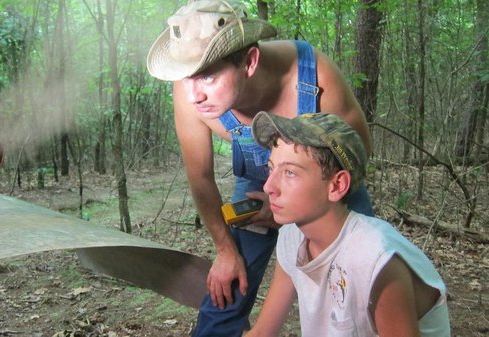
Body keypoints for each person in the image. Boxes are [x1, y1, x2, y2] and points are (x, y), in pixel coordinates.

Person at [146, 1, 374, 335]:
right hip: (256, 189)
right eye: (186, 77)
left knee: (358, 284)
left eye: (207, 76)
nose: (194, 95)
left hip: (330, 191)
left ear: (249, 61)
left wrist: (296, 207)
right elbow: (201, 178)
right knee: (224, 292)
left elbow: (357, 158)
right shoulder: (189, 92)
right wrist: (225, 251)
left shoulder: (314, 76)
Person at [245, 111, 450, 336]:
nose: (268, 187)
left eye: (290, 173)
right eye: (271, 168)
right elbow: (262, 332)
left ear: (337, 185)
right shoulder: (291, 237)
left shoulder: (373, 258)